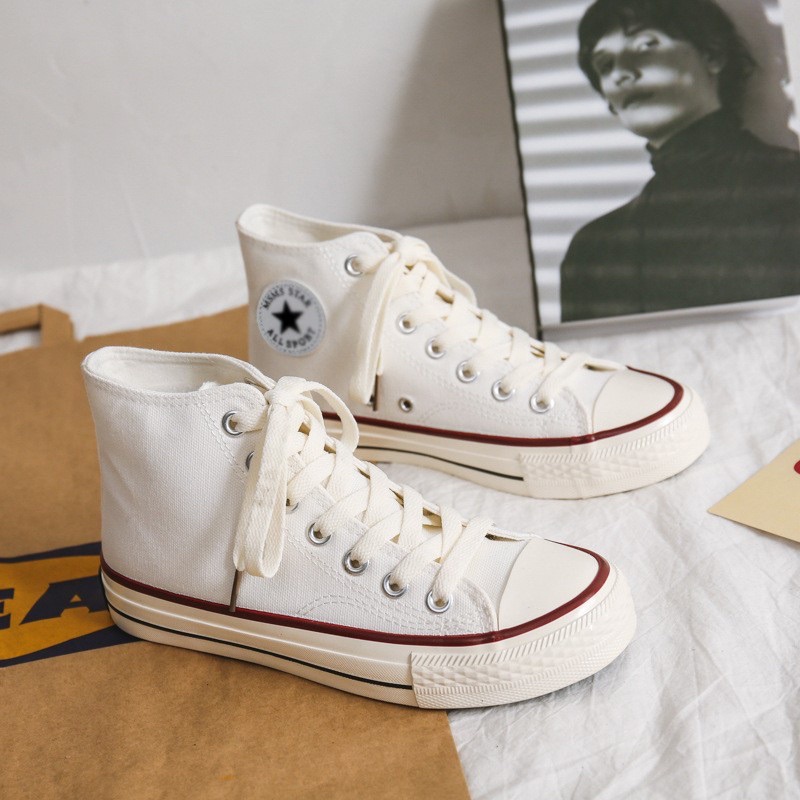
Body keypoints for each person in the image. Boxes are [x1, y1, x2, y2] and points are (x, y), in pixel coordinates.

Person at [559, 0, 800, 322]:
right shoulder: (591, 252)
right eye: (605, 65)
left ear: (712, 55)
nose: (621, 73)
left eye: (646, 45)